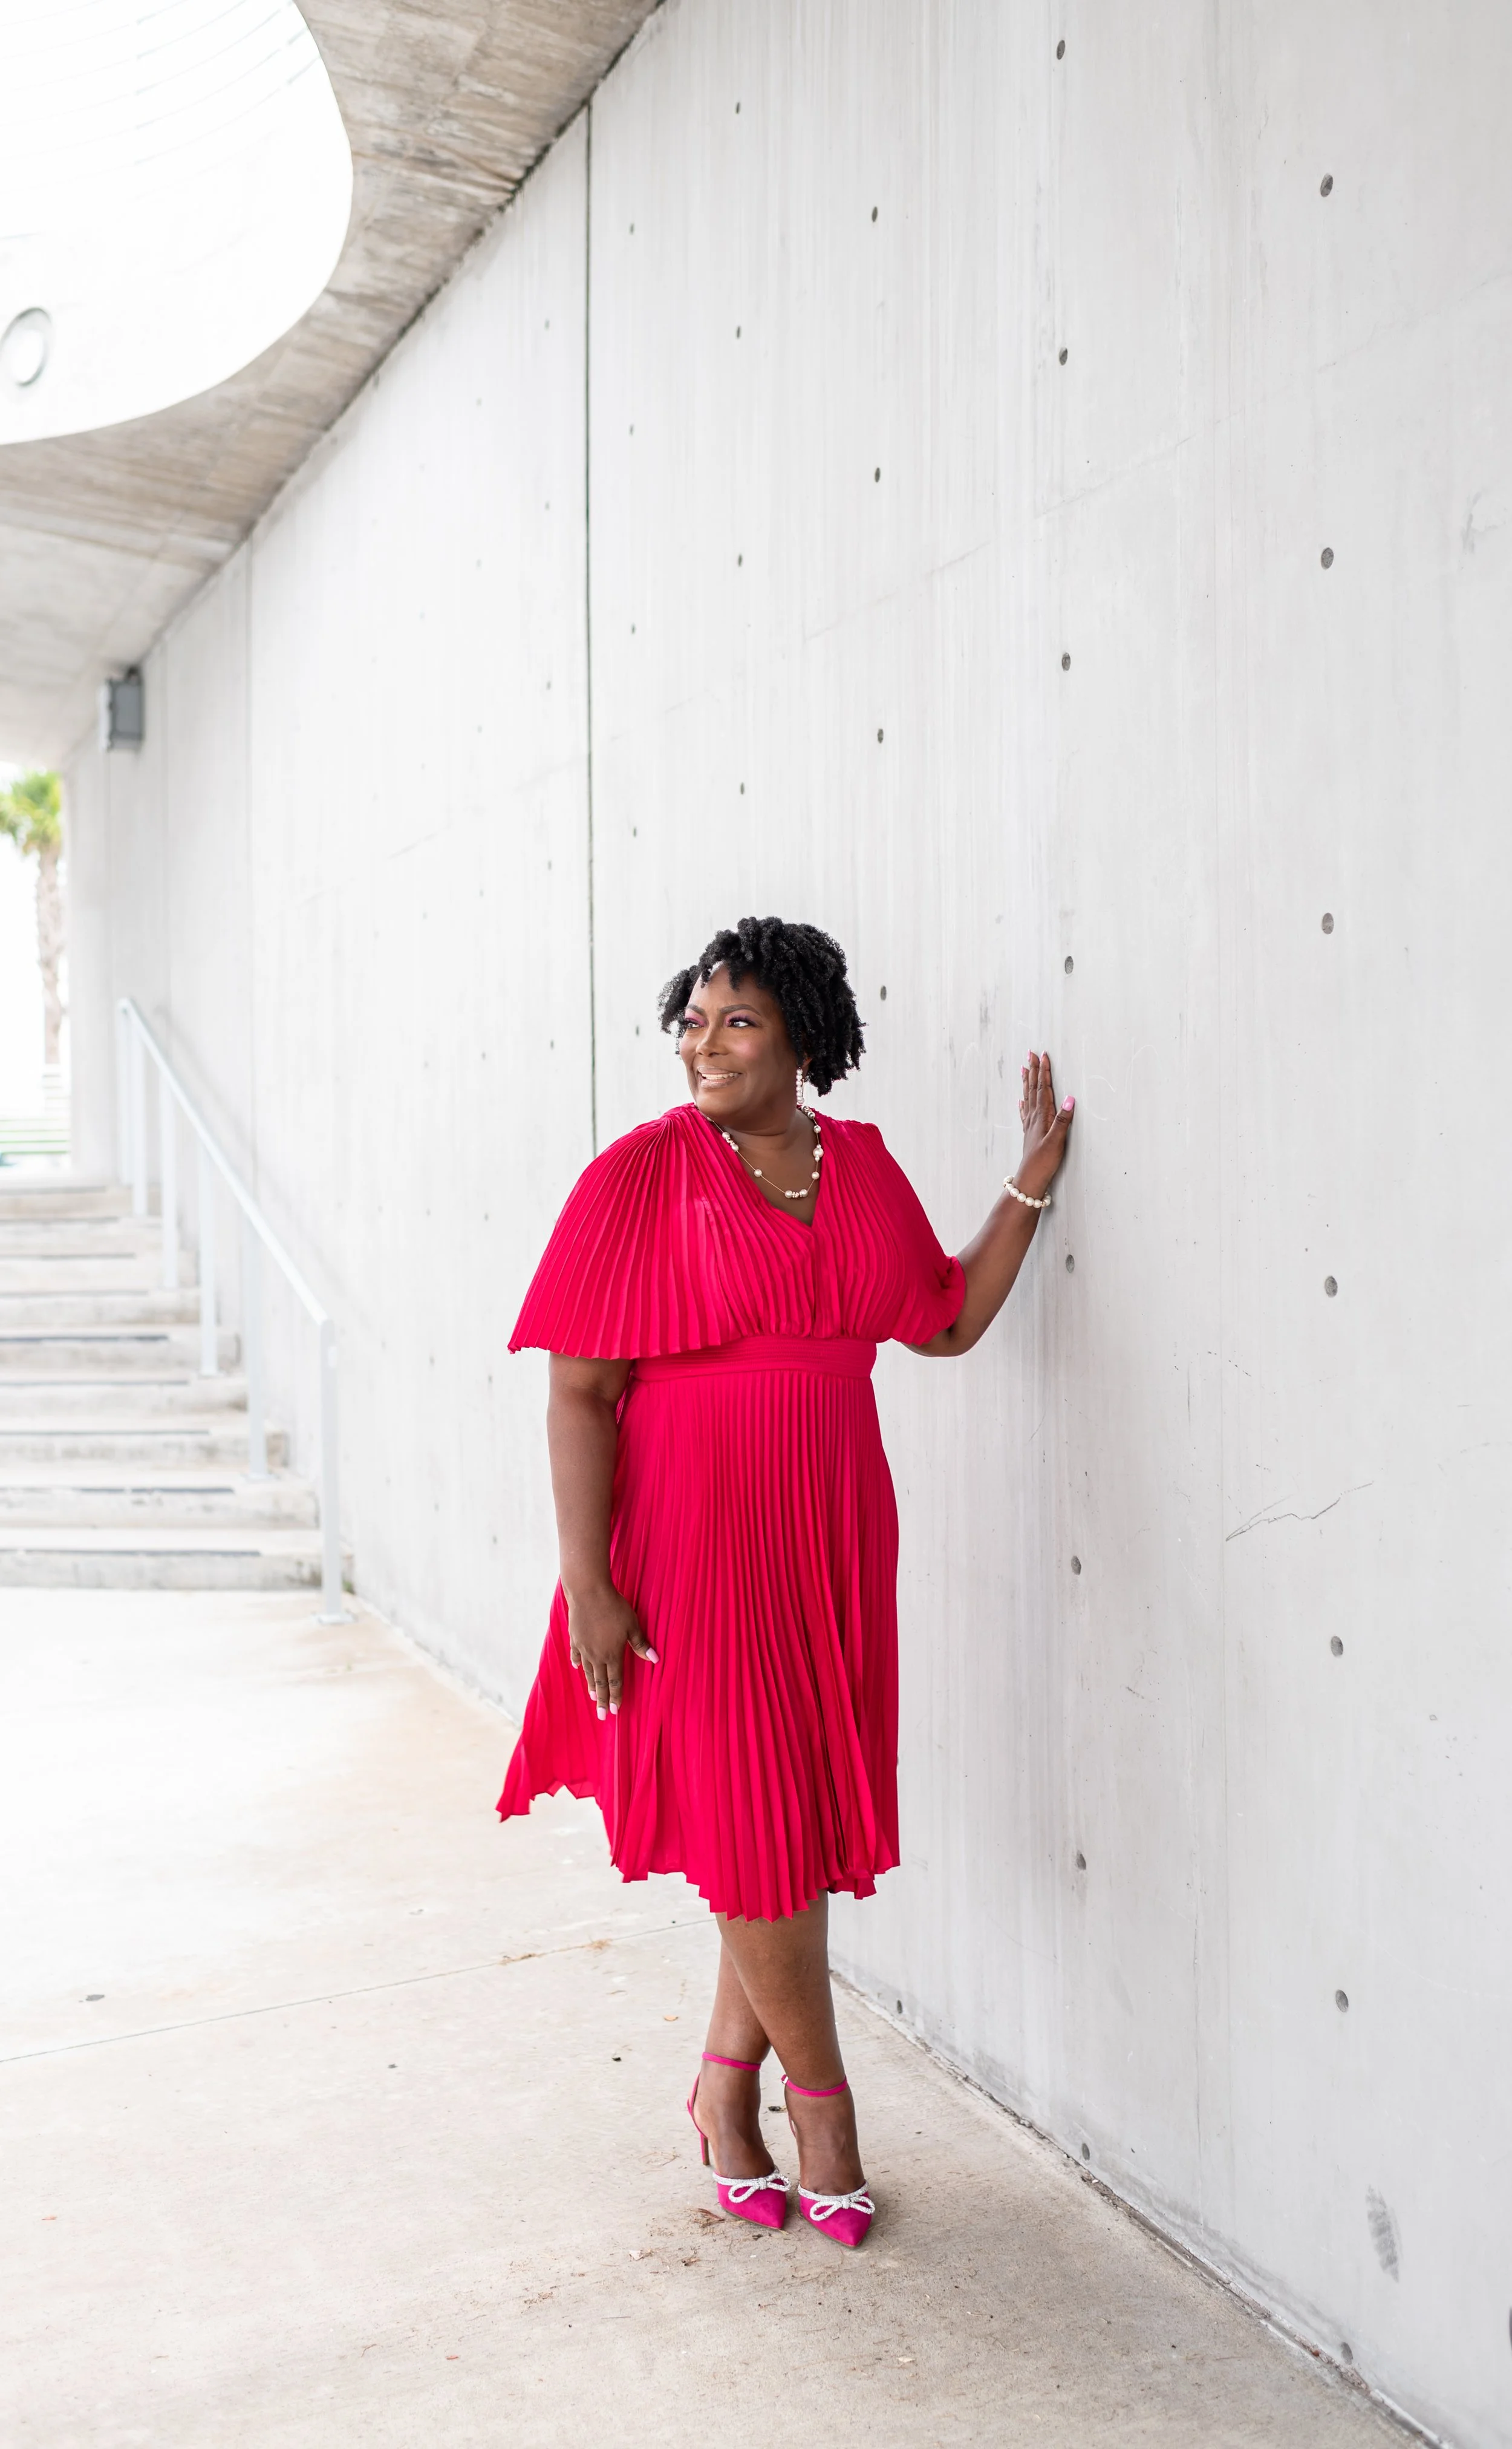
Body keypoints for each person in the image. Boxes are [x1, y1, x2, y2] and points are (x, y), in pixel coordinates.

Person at [499, 915, 1074, 2248]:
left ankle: (720, 2087)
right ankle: (824, 2108)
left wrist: (1026, 1182)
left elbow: (938, 1317)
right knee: (759, 1821)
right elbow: (581, 1391)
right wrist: (586, 1578)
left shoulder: (859, 1169)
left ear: (802, 1039)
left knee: (790, 1815)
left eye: (736, 1021)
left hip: (827, 1523)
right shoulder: (637, 1176)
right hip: (690, 1536)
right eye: (691, 1020)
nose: (702, 1042)